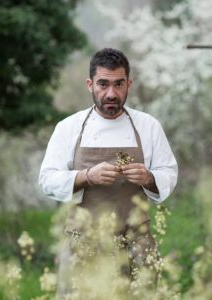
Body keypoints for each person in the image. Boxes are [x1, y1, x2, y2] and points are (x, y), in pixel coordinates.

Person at [39, 48, 178, 291]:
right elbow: (47, 179)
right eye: (103, 84)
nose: (111, 93)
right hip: (83, 244)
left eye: (118, 84)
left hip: (137, 245)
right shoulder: (68, 127)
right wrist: (86, 177)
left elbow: (169, 173)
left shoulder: (148, 126)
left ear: (129, 84)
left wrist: (149, 177)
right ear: (89, 84)